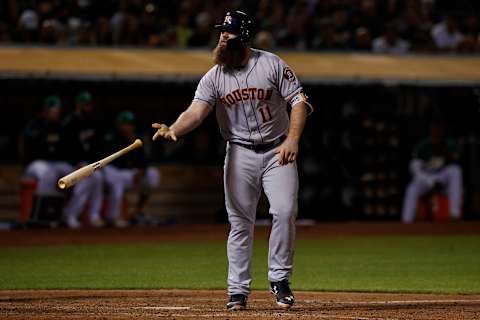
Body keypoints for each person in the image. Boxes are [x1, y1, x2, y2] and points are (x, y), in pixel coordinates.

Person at [152, 11, 312, 310]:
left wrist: (292, 139)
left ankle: (280, 279)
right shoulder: (214, 76)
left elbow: (299, 102)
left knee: (285, 211)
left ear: (246, 37)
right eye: (222, 32)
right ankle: (237, 291)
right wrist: (175, 128)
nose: (223, 37)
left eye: (230, 32)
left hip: (278, 150)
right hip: (239, 152)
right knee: (240, 223)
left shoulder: (272, 64)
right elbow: (196, 111)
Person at [103, 111, 160, 228]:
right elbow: (114, 160)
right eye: (125, 124)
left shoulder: (135, 139)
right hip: (112, 171)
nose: (128, 127)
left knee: (153, 174)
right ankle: (113, 217)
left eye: (130, 124)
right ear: (119, 125)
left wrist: (141, 171)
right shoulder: (111, 138)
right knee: (117, 183)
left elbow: (143, 161)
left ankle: (138, 210)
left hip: (128, 173)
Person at [401, 121, 463, 223]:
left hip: (442, 177)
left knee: (455, 171)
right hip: (426, 178)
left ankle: (454, 214)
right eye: (434, 130)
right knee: (411, 189)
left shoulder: (449, 144)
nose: (436, 132)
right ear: (430, 131)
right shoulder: (422, 146)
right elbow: (415, 170)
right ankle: (406, 222)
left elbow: (455, 162)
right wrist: (430, 182)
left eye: (438, 130)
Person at [62, 91, 105, 228]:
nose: (88, 107)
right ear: (78, 105)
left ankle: (94, 215)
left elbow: (97, 146)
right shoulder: (70, 122)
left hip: (88, 163)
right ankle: (70, 214)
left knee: (97, 178)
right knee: (87, 178)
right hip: (68, 163)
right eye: (85, 104)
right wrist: (77, 163)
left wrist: (97, 162)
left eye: (89, 104)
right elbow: (66, 148)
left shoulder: (93, 121)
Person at [21, 95, 71, 197]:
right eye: (52, 111)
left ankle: (69, 210)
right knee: (48, 173)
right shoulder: (35, 124)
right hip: (36, 162)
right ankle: (42, 206)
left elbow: (66, 147)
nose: (55, 113)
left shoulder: (60, 126)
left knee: (75, 174)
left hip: (55, 162)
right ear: (45, 111)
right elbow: (31, 142)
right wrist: (45, 124)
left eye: (57, 110)